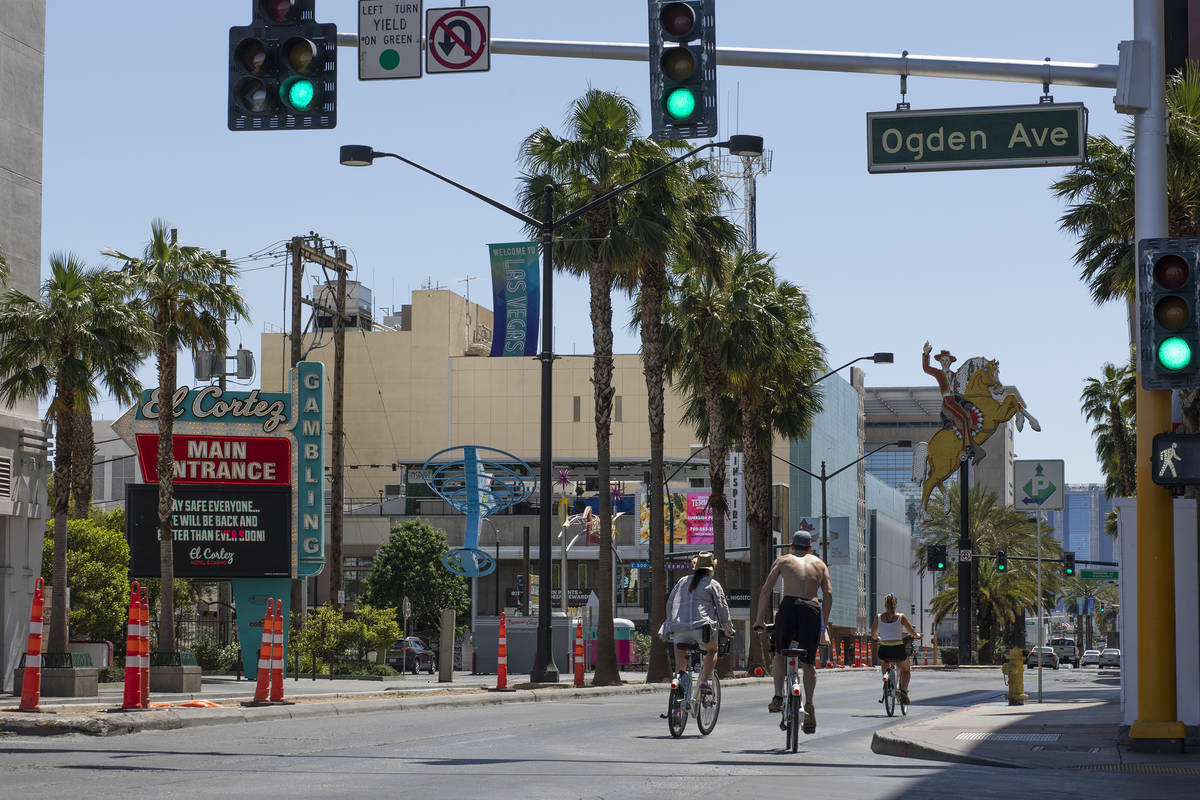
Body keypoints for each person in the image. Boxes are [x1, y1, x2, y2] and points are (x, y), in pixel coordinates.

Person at [753, 530, 832, 734]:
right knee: (808, 663)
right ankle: (810, 706)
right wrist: (824, 625)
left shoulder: (783, 560)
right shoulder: (820, 564)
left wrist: (759, 619)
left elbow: (765, 590)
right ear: (810, 548)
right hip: (811, 609)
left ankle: (778, 695)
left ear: (791, 546)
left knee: (780, 653)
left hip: (788, 607)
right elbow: (829, 594)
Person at [658, 551, 734, 694]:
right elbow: (722, 609)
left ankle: (679, 678)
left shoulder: (682, 581)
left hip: (679, 629)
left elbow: (670, 603)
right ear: (711, 569)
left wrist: (671, 621)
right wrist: (728, 628)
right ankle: (704, 682)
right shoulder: (713, 584)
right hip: (702, 629)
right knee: (712, 650)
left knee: (681, 656)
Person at [870, 593, 922, 704]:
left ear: (885, 604)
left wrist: (878, 637)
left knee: (885, 661)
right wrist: (917, 635)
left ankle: (886, 681)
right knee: (906, 670)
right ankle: (903, 692)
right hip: (898, 649)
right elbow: (911, 632)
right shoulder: (901, 617)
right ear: (896, 604)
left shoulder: (878, 617)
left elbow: (873, 634)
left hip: (884, 649)